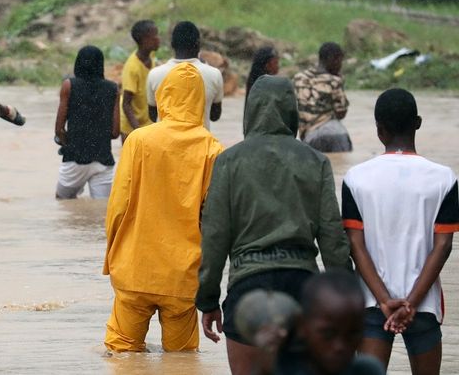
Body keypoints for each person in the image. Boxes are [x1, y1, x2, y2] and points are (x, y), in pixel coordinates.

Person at [197, 75, 351, 375]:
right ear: (292, 111)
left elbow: (215, 237)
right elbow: (333, 238)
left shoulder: (228, 162)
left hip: (247, 288)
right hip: (303, 287)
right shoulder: (315, 161)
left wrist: (208, 299)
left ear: (250, 111)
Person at [104, 62, 224, 352]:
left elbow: (118, 206)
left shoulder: (139, 140)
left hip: (134, 269)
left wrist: (111, 257)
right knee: (181, 360)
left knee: (121, 355)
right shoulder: (212, 149)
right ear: (200, 99)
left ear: (163, 96)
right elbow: (214, 221)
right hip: (182, 277)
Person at [342, 88, 458, 374]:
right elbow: (442, 247)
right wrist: (411, 303)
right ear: (418, 123)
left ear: (379, 130)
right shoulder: (444, 178)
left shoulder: (356, 178)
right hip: (424, 304)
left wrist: (384, 300)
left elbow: (355, 246)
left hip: (372, 302)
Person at [273, 272, 386, 375]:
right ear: (302, 326)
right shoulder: (276, 369)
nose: (340, 346)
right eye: (328, 334)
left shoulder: (366, 370)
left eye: (352, 335)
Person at [54, 46, 119, 199]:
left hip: (74, 159)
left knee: (62, 202)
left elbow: (59, 129)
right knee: (101, 212)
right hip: (103, 161)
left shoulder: (69, 85)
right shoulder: (113, 89)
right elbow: (115, 133)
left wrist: (68, 143)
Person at [146, 21, 223, 131]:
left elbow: (153, 116)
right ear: (198, 44)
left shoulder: (154, 74)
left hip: (165, 145)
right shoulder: (214, 74)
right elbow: (215, 116)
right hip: (199, 144)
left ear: (172, 44)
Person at [293, 42, 352, 152]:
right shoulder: (334, 81)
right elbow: (341, 112)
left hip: (309, 137)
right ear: (332, 59)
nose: (340, 66)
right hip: (335, 133)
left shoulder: (299, 78)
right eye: (339, 61)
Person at [119, 20, 160, 141]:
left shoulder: (151, 58)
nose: (158, 39)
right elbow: (126, 104)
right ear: (145, 40)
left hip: (147, 125)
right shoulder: (132, 67)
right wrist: (138, 132)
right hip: (132, 129)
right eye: (155, 35)